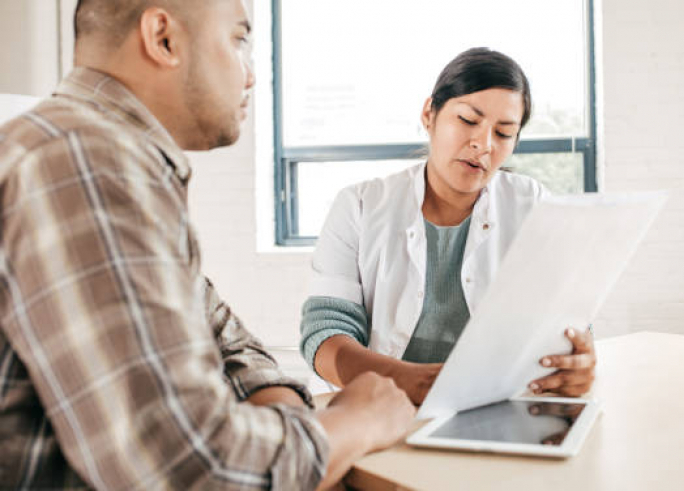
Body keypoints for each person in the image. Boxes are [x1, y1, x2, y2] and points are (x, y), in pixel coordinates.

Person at [0, 0, 414, 489]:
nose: (251, 77)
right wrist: (357, 422)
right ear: (163, 38)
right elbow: (192, 470)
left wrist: (284, 416)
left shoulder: (102, 153)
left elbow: (221, 331)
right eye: (239, 39)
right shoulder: (85, 162)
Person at [300, 48, 597, 405]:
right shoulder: (360, 205)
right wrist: (405, 380)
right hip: (378, 407)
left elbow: (565, 321)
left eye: (503, 133)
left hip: (495, 407)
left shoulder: (533, 204)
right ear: (430, 114)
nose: (482, 145)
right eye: (469, 121)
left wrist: (575, 363)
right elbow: (325, 333)